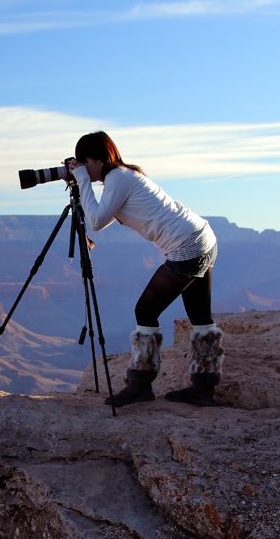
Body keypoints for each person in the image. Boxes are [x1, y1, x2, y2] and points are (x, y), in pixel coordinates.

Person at [68, 131, 223, 407]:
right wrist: (82, 183)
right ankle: (204, 386)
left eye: (85, 162)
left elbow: (96, 221)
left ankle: (140, 383)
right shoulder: (124, 177)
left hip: (187, 246)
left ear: (100, 159)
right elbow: (102, 215)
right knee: (200, 316)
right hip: (203, 238)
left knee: (145, 310)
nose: (84, 168)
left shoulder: (118, 178)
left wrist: (81, 181)